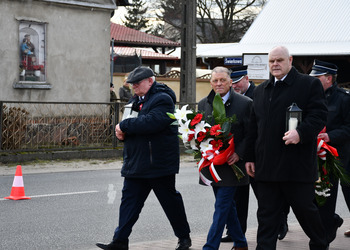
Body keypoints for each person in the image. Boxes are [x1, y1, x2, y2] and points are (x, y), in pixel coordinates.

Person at [96, 66, 192, 250]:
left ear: (150, 80)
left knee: (170, 203)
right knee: (129, 204)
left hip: (158, 164)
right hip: (136, 162)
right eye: (131, 83)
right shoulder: (135, 100)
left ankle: (184, 238)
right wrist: (120, 132)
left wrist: (123, 125)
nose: (133, 86)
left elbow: (151, 123)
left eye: (137, 83)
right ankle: (120, 241)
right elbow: (132, 125)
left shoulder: (163, 99)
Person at [244, 46, 329, 250]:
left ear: (290, 60)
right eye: (272, 61)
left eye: (279, 60)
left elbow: (319, 116)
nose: (275, 64)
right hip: (267, 168)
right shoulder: (261, 90)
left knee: (306, 213)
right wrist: (249, 157)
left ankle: (320, 244)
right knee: (266, 217)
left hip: (295, 167)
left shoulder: (308, 85)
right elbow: (253, 127)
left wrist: (301, 133)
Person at [198, 66, 252, 250]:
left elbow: (251, 134)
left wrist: (239, 153)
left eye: (222, 80)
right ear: (211, 82)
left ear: (230, 82)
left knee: (221, 207)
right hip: (213, 165)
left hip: (233, 165)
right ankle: (241, 242)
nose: (219, 84)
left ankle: (210, 246)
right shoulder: (203, 103)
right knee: (227, 207)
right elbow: (200, 132)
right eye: (215, 81)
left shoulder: (245, 103)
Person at [309, 59, 350, 242]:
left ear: (329, 78)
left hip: (341, 156)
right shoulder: (310, 97)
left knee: (348, 192)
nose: (313, 81)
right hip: (317, 156)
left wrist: (331, 136)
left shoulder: (344, 98)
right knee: (321, 196)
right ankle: (326, 232)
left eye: (317, 78)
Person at [221, 65, 255, 243]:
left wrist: (242, 152)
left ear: (247, 78)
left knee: (265, 196)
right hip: (234, 156)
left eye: (237, 82)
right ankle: (235, 232)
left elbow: (253, 130)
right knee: (237, 197)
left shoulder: (256, 95)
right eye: (231, 82)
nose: (234, 86)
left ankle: (280, 224)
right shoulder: (227, 98)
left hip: (255, 155)